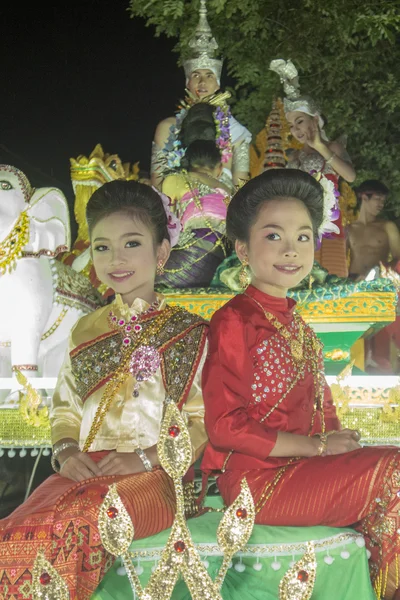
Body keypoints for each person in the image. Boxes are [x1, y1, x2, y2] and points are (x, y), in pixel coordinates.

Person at [0, 181, 208, 600]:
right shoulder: (85, 329)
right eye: (101, 247)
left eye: (131, 244)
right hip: (85, 471)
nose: (115, 259)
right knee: (15, 531)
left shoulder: (191, 332)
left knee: (77, 522)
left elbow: (204, 422)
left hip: (160, 478)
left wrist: (147, 458)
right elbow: (65, 411)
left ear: (161, 253)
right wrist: (66, 453)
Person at [201, 169, 400, 600]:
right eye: (274, 236)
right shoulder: (234, 319)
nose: (292, 249)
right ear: (242, 248)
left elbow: (322, 408)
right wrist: (319, 448)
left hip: (303, 471)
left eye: (304, 237)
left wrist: (335, 438)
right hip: (258, 483)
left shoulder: (299, 325)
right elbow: (225, 427)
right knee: (395, 474)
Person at [151, 0, 251, 191]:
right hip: (177, 208)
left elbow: (242, 187)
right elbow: (158, 183)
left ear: (218, 84)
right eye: (196, 76)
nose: (202, 83)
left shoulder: (237, 133)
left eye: (209, 76)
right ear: (187, 82)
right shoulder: (167, 127)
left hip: (222, 211)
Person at [270, 59, 356, 278]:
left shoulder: (331, 147)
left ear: (314, 120)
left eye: (299, 121)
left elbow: (350, 176)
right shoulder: (295, 157)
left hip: (330, 227)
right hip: (301, 228)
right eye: (291, 125)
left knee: (332, 282)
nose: (295, 129)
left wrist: (319, 146)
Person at [156, 103, 231, 288]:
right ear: (220, 167)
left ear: (186, 162)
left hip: (192, 257)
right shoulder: (228, 190)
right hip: (223, 261)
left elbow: (164, 225)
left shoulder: (175, 180)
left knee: (134, 283)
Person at [347, 179, 400, 279]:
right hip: (352, 280)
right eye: (378, 199)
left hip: (379, 280)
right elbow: (339, 258)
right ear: (364, 198)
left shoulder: (387, 226)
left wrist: (381, 271)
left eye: (383, 200)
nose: (381, 204)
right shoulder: (349, 228)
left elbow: (398, 258)